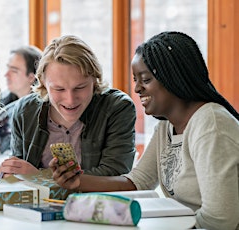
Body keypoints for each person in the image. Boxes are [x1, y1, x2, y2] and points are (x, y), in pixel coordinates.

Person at [49, 31, 239, 229]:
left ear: (173, 77)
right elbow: (137, 181)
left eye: (145, 79)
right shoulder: (166, 127)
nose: (137, 88)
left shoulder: (211, 125)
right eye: (135, 80)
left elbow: (220, 220)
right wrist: (77, 181)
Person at [0, 35, 136, 180]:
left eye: (80, 87)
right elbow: (21, 174)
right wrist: (4, 180)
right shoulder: (25, 110)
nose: (70, 100)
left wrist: (39, 177)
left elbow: (116, 175)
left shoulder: (118, 108)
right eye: (59, 89)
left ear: (95, 80)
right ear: (43, 82)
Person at [0, 45, 42, 154]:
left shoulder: (42, 110)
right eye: (8, 68)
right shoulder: (3, 102)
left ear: (31, 77)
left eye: (14, 70)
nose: (6, 74)